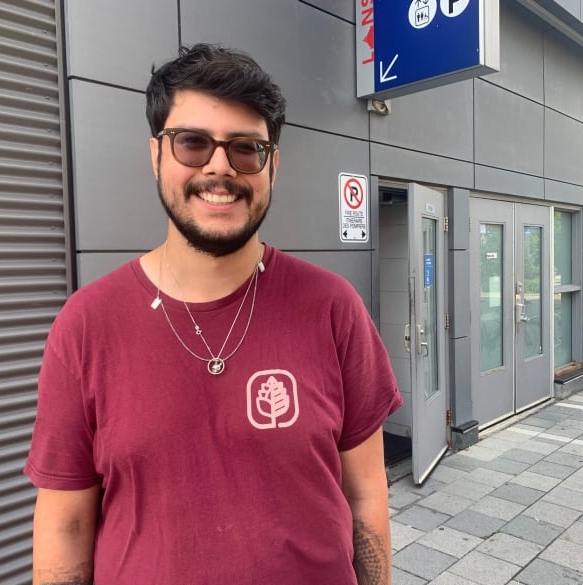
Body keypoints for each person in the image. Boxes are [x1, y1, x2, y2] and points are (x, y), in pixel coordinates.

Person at [24, 43, 402, 585]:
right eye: (193, 143)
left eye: (247, 148)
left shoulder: (333, 307)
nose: (220, 168)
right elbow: (64, 525)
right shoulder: (87, 324)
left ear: (273, 165)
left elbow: (365, 496)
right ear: (155, 155)